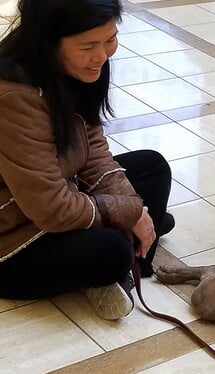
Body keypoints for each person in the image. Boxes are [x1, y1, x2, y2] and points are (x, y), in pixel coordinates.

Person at [0, 0, 174, 320]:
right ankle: (123, 257)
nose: (103, 55)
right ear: (48, 40)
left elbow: (92, 144)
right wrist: (131, 210)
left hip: (61, 190)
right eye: (89, 45)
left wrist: (127, 204)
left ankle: (125, 257)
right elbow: (51, 209)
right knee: (111, 250)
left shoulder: (74, 63)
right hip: (14, 237)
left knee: (153, 167)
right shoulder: (13, 97)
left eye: (110, 39)